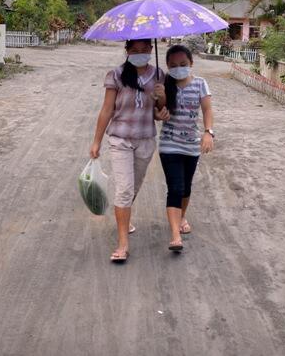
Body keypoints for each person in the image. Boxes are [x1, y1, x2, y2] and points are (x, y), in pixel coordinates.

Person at [90, 39, 167, 263]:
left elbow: (159, 110)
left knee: (134, 186)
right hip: (120, 139)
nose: (140, 54)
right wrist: (96, 142)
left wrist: (162, 96)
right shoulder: (116, 75)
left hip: (145, 139)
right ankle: (123, 244)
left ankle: (125, 217)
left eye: (144, 50)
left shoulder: (158, 75)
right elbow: (107, 110)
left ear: (151, 50)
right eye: (134, 51)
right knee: (124, 189)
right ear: (127, 51)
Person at [158, 44, 214, 252]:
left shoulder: (200, 84)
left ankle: (182, 217)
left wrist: (208, 132)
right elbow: (156, 112)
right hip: (169, 144)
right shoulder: (163, 84)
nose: (178, 68)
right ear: (167, 66)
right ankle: (175, 235)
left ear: (191, 63)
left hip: (191, 145)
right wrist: (158, 110)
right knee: (175, 188)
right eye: (173, 65)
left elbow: (207, 110)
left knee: (186, 187)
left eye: (183, 64)